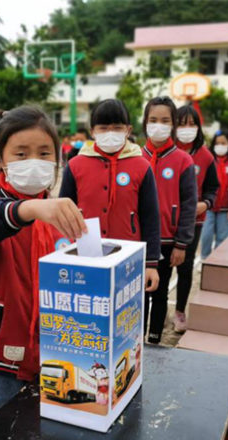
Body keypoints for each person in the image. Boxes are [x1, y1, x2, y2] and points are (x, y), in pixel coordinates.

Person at [0, 105, 86, 424]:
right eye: (21, 154)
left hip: (54, 360)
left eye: (44, 153)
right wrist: (25, 210)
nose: (34, 162)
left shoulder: (60, 216)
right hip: (2, 364)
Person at [59, 98, 161, 294]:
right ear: (92, 131)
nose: (110, 133)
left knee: (128, 310)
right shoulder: (75, 165)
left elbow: (150, 217)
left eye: (117, 127)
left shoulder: (141, 166)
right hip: (84, 253)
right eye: (104, 128)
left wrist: (151, 263)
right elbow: (64, 212)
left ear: (128, 131)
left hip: (129, 255)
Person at [140, 97, 197, 344]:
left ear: (173, 124)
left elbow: (188, 205)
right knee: (137, 295)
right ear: (144, 123)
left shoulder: (183, 160)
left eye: (164, 120)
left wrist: (182, 244)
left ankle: (153, 340)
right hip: (138, 240)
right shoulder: (134, 157)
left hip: (167, 240)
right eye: (153, 120)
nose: (158, 126)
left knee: (160, 292)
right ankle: (136, 339)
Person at [173, 104, 219, 332]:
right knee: (158, 265)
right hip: (163, 222)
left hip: (192, 222)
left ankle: (180, 311)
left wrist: (205, 203)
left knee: (185, 266)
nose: (187, 128)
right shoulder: (164, 151)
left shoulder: (206, 156)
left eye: (192, 124)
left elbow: (213, 188)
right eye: (182, 124)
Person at [200, 131, 228, 260]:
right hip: (209, 207)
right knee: (206, 235)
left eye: (223, 143)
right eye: (217, 143)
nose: (220, 146)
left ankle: (219, 261)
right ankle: (205, 258)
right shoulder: (209, 161)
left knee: (222, 237)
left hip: (226, 208)